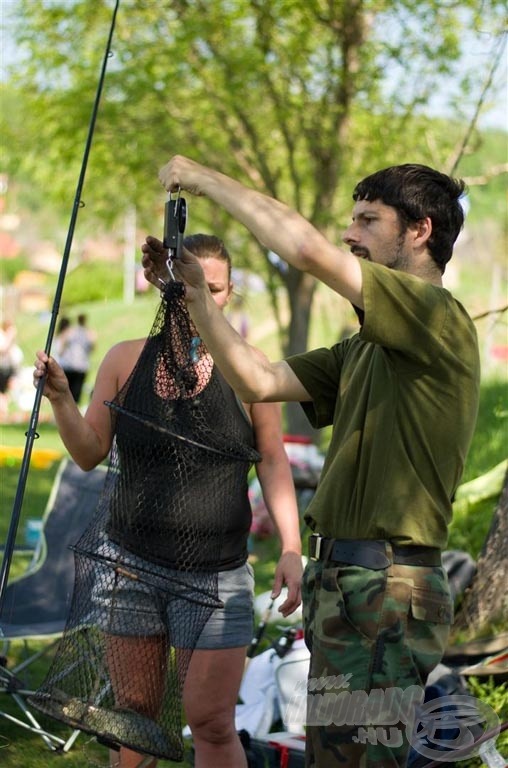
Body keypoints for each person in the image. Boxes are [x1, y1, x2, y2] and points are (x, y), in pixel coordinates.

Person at [142, 157, 481, 768]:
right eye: (351, 221)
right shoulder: (363, 349)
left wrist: (205, 179)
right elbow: (258, 377)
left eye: (368, 220)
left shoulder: (438, 319)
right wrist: (196, 295)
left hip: (389, 589)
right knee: (335, 758)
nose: (351, 235)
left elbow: (306, 251)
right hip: (349, 588)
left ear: (421, 230)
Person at [34, 233, 302, 768]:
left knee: (210, 721)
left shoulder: (251, 369)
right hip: (131, 566)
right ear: (164, 285)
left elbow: (272, 459)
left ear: (227, 295)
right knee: (133, 719)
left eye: (217, 288)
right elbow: (89, 452)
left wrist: (291, 547)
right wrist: (62, 399)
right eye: (188, 284)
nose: (201, 295)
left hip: (217, 575)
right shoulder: (123, 359)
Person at [58, 313, 96, 404]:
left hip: (74, 367)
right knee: (72, 396)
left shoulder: (74, 332)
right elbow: (92, 347)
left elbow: (61, 349)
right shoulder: (85, 333)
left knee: (71, 396)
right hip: (76, 367)